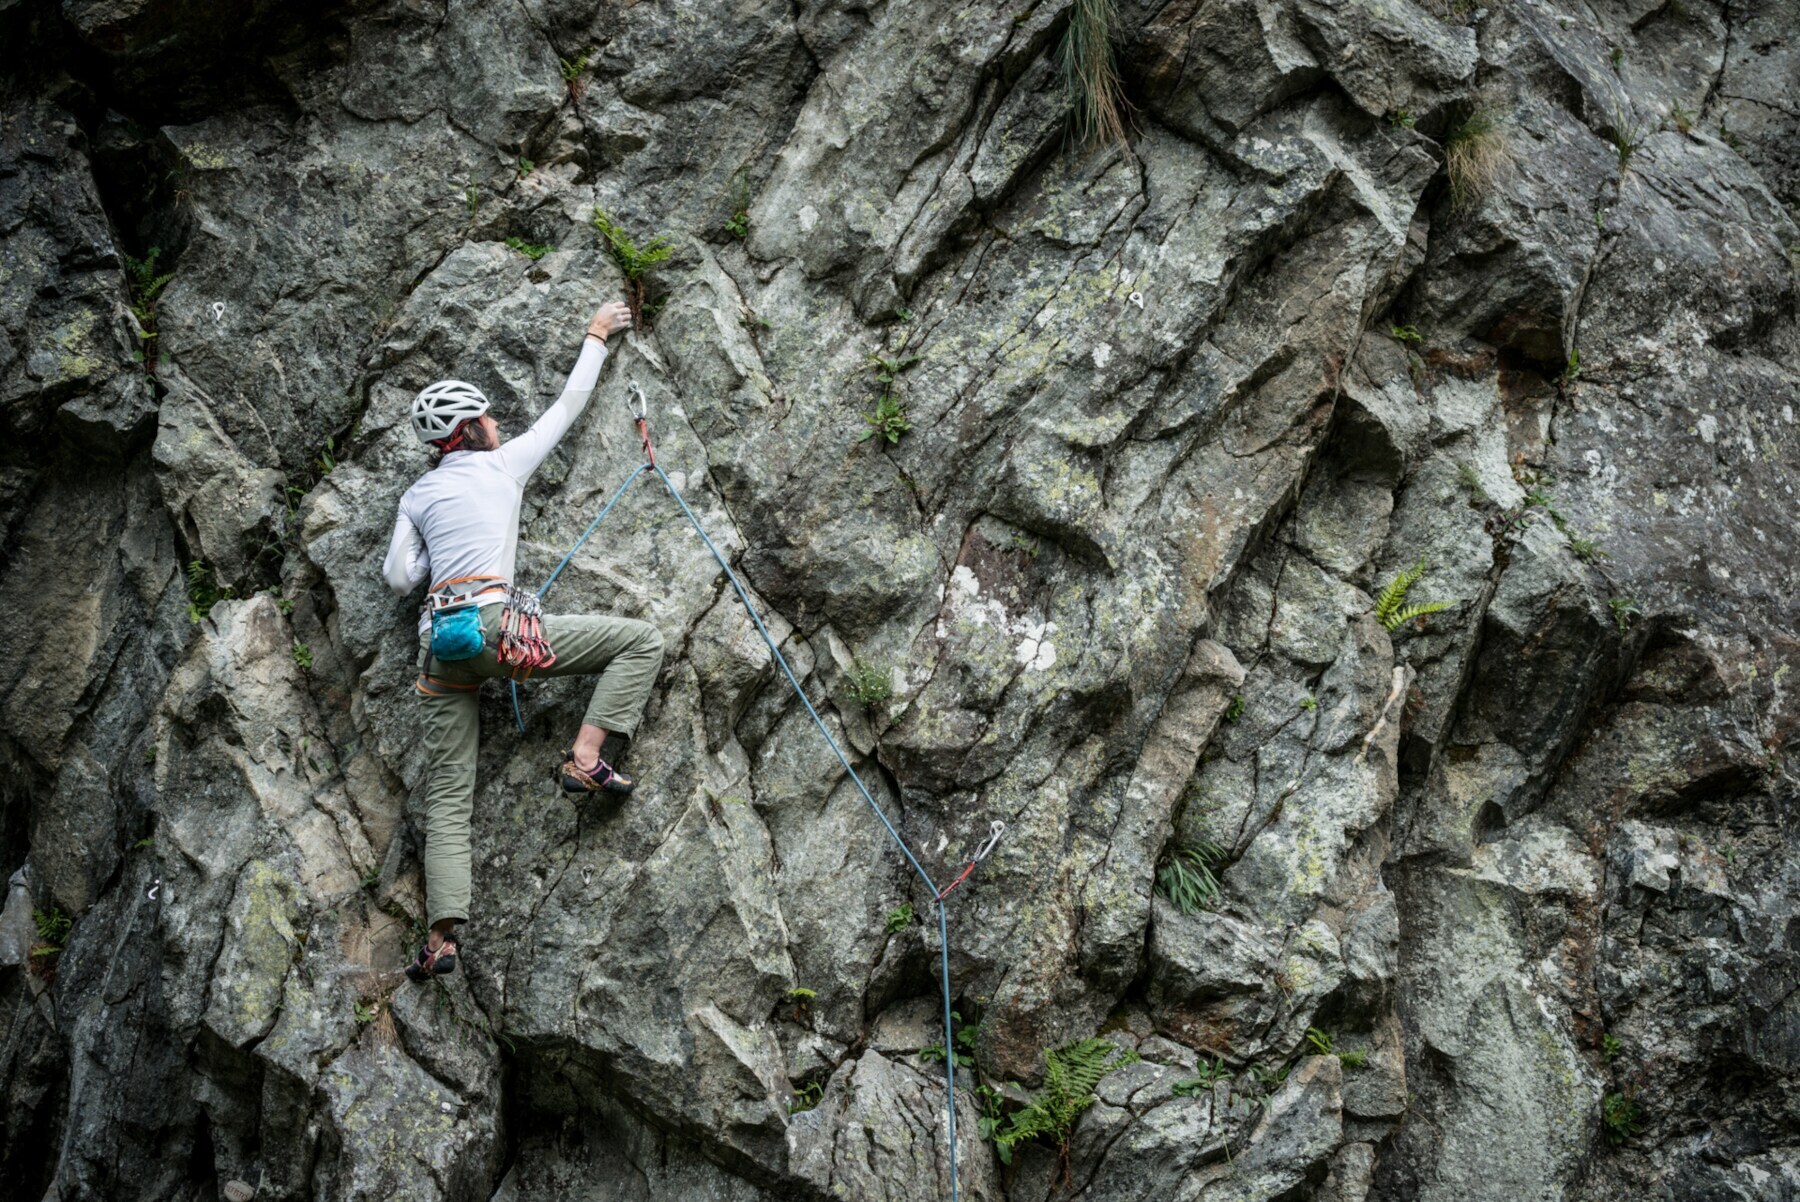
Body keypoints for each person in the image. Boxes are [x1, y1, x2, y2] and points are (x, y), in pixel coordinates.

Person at [381, 299, 665, 982]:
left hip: (438, 646)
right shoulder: (503, 465)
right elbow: (568, 406)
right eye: (486, 417)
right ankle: (586, 757)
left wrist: (436, 566)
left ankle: (443, 937)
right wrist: (596, 333)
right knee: (641, 641)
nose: (497, 422)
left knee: (449, 794)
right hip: (493, 629)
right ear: (470, 430)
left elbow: (398, 578)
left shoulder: (417, 496)